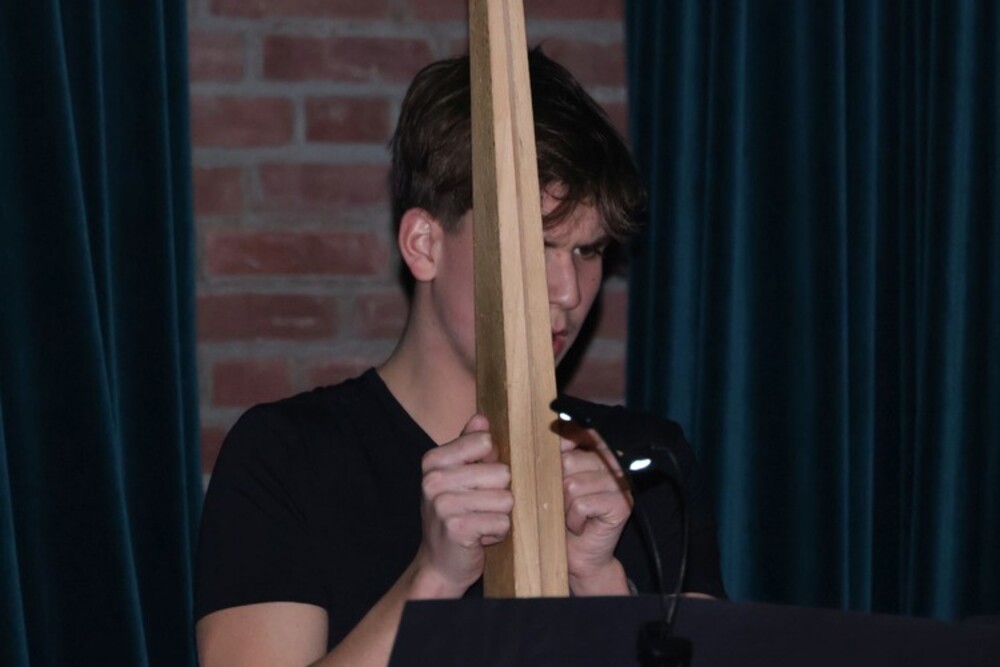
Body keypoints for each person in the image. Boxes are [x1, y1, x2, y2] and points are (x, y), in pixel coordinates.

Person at [194, 48, 725, 666]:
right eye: (538, 245)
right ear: (425, 245)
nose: (570, 292)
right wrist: (432, 580)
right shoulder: (288, 456)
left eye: (589, 251)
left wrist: (602, 584)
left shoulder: (647, 464)